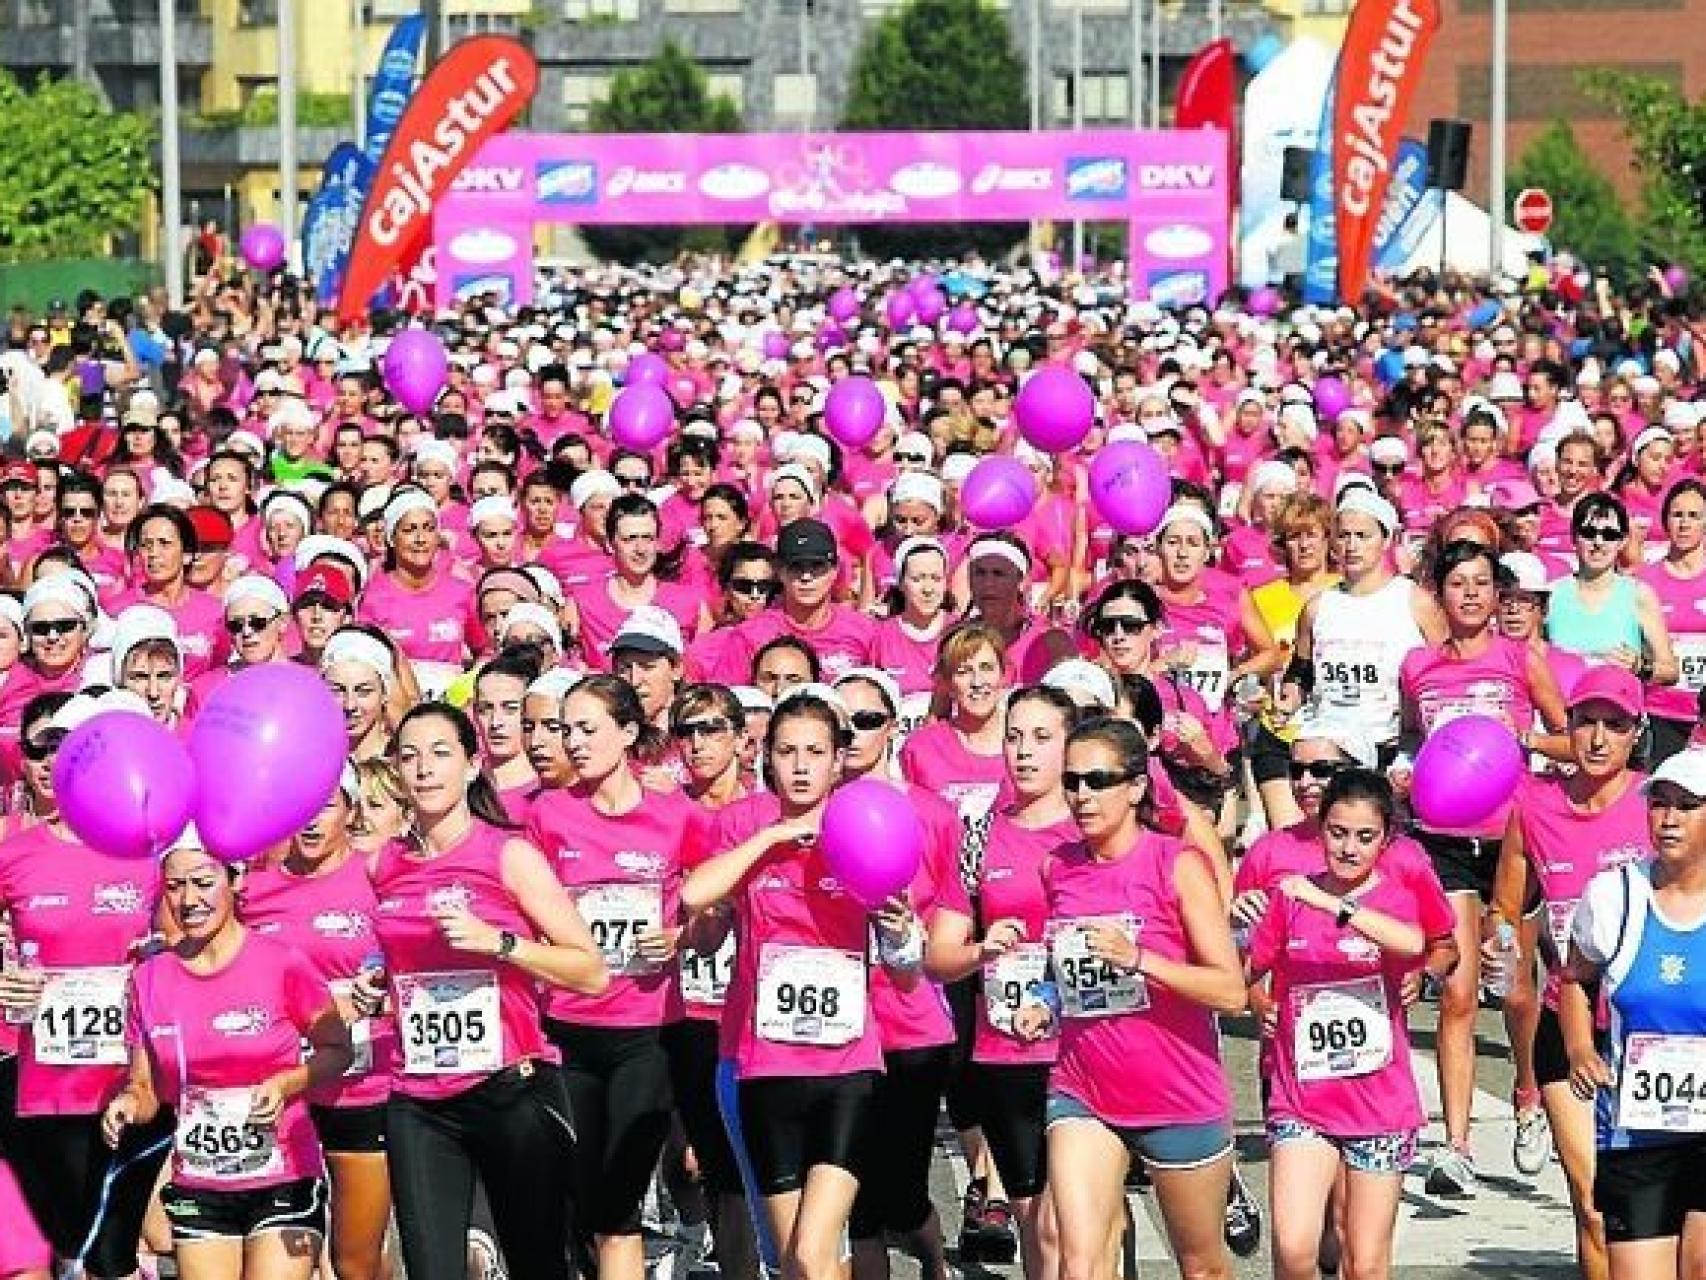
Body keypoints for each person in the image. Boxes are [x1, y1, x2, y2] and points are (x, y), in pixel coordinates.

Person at [681, 688, 920, 1280]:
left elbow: (907, 970)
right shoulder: (742, 822)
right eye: (787, 751)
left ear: (839, 759)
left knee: (815, 1253)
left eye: (816, 751)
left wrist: (898, 931)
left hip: (846, 1068)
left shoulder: (866, 820)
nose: (801, 765)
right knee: (794, 1263)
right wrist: (771, 840)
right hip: (767, 1068)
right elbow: (694, 896)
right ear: (767, 758)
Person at [364, 702, 608, 1280]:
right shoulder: (384, 864)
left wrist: (498, 944)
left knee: (537, 1264)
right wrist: (380, 985)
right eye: (410, 756)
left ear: (473, 765)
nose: (424, 769)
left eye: (441, 753)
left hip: (509, 1091)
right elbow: (402, 964)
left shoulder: (507, 853)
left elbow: (590, 971)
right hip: (418, 1098)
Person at [1015, 716, 1245, 1280]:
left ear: (1137, 787)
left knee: (1202, 1266)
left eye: (1098, 780)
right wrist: (1044, 1001)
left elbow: (1231, 989)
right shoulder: (1057, 867)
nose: (1082, 795)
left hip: (1177, 1091)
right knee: (1079, 1259)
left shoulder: (1177, 864)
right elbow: (1063, 965)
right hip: (1084, 1089)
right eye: (1072, 781)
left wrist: (1141, 960)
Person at [1398, 539, 1570, 1198]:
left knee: (1517, 990)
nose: (1469, 595)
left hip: (1511, 844)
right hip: (1442, 840)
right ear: (1438, 596)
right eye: (1457, 584)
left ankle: (1528, 1096)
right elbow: (1414, 739)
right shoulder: (1417, 668)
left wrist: (1519, 741)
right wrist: (1406, 768)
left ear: (1499, 597)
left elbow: (1568, 736)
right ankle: (1458, 1147)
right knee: (1460, 993)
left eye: (1481, 584)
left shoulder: (1520, 659)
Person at [102, 830, 354, 1278]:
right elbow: (145, 1088)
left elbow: (338, 1050)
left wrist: (286, 1083)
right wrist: (126, 1105)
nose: (189, 899)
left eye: (203, 882)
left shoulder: (282, 962)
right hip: (201, 1179)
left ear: (235, 880)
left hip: (283, 1172)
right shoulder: (149, 979)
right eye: (175, 886)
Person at [525, 675, 701, 1280]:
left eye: (587, 729)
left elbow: (717, 908)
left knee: (618, 1198)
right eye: (563, 729)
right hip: (567, 1032)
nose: (572, 742)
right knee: (582, 1194)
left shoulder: (676, 815)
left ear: (628, 733)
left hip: (647, 1032)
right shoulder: (548, 814)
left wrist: (683, 936)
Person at [1249, 769, 1453, 1280]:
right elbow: (1242, 973)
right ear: (1321, 831)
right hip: (1303, 1098)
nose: (1348, 848)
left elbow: (1413, 943)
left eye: (1365, 837)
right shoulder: (1289, 896)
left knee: (1364, 1263)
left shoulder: (1396, 894)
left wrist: (1332, 904)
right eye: (1337, 833)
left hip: (1379, 1105)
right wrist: (1251, 990)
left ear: (1386, 839)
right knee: (1294, 1250)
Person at [0, 694, 172, 1279]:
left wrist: (156, 958)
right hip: (42, 1087)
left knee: (107, 1253)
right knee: (64, 1250)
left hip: (130, 1084)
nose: (59, 761)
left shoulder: (150, 849)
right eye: (48, 748)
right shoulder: (14, 854)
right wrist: (5, 983)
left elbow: (193, 947)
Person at [1486, 666, 1649, 1280]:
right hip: (1567, 1018)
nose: (1599, 738)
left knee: (1661, 1212)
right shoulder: (1535, 807)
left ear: (1636, 734)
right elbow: (1507, 907)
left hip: (1651, 1028)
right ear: (1568, 728)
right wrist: (1500, 946)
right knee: (1593, 1205)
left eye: (1616, 725)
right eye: (1586, 723)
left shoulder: (1660, 805)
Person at [927, 685, 1082, 1280]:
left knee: (1086, 1215)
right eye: (1014, 737)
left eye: (1042, 738)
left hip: (1086, 1048)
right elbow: (941, 956)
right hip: (1005, 1046)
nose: (1023, 752)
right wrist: (981, 949)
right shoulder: (979, 834)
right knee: (1035, 1221)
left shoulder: (1091, 830)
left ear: (1072, 746)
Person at [239, 767, 396, 1280]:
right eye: (300, 805)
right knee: (288, 1259)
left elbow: (412, 971)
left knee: (355, 1261)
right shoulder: (253, 889)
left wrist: (379, 996)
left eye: (326, 806)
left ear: (351, 812)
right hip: (283, 1096)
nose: (310, 820)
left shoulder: (378, 876)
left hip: (362, 1087)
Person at [834, 668, 962, 1280]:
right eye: (843, 723)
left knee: (900, 1191)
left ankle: (935, 1258)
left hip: (912, 1025)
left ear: (891, 726)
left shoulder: (933, 814)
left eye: (867, 720)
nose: (854, 734)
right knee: (853, 1198)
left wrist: (916, 936)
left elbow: (953, 904)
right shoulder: (811, 812)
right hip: (834, 1030)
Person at [1561, 747, 1706, 1280]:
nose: (1667, 819)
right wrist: (1579, 1048)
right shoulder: (1611, 897)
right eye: (1659, 804)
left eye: (1686, 806)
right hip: (1636, 1131)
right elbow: (1575, 981)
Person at [1290, 489, 1444, 759]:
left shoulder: (1414, 601)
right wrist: (1286, 698)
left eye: (1362, 536)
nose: (1352, 546)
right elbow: (1299, 674)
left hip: (1390, 746)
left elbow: (1445, 668)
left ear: (1386, 540)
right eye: (1344, 536)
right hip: (1330, 748)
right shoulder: (1317, 607)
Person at [1545, 494, 1676, 694]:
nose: (1598, 542)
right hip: (1564, 716)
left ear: (1622, 541)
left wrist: (1639, 666)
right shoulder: (1550, 595)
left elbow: (1671, 671)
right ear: (1573, 537)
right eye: (1589, 533)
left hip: (1619, 717)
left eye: (1609, 535)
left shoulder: (1639, 594)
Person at [1636, 480, 1706, 764]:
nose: (1685, 524)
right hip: (1660, 712)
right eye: (1677, 515)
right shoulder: (1643, 581)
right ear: (1665, 520)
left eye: (1694, 516)